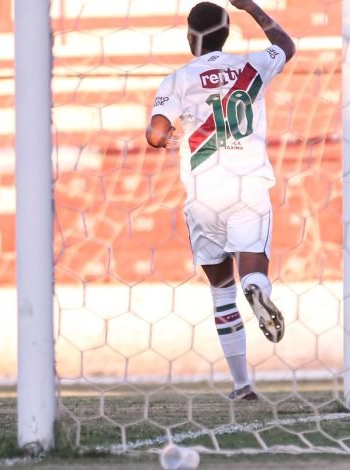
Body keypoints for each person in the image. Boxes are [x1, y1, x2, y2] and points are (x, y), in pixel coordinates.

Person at [145, 0, 295, 401]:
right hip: (247, 185)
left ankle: (242, 385)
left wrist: (168, 138)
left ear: (190, 37)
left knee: (221, 290)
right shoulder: (252, 66)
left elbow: (155, 134)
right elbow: (286, 45)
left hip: (203, 194)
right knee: (251, 269)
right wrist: (251, 8)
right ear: (226, 33)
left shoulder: (177, 79)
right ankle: (257, 287)